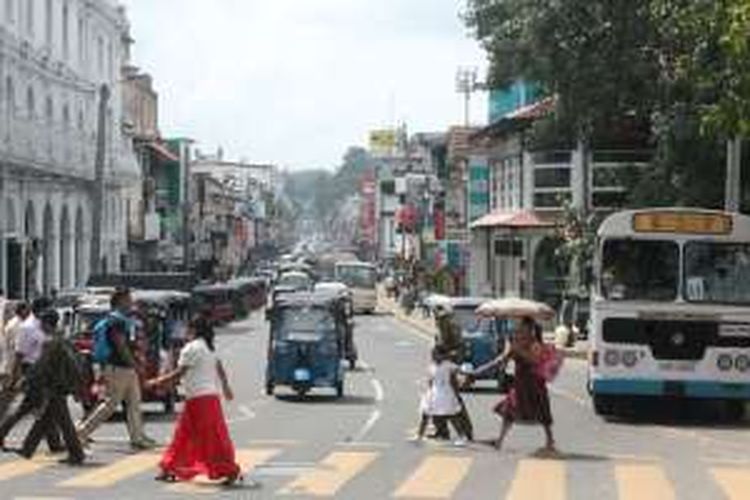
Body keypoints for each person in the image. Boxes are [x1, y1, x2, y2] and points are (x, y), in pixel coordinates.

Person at [147, 316, 242, 485]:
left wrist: (157, 381)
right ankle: (170, 468)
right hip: (210, 398)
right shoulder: (209, 347)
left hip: (198, 400)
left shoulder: (191, 348)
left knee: (188, 436)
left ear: (193, 330)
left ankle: (227, 469)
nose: (185, 332)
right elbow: (219, 367)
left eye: (187, 328)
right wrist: (226, 388)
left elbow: (179, 373)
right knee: (212, 436)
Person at [76, 287, 156, 450]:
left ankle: (137, 437)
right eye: (128, 300)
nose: (131, 303)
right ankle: (82, 432)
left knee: (134, 402)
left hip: (125, 367)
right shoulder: (116, 321)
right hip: (118, 367)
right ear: (120, 301)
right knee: (110, 404)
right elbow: (121, 346)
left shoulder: (121, 319)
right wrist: (134, 364)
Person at [471, 317, 556, 453]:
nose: (520, 331)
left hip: (535, 383)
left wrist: (518, 350)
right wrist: (480, 370)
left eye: (523, 328)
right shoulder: (516, 344)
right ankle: (499, 440)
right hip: (520, 384)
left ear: (530, 330)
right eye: (520, 328)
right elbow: (500, 359)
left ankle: (550, 441)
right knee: (509, 410)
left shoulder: (536, 343)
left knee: (542, 410)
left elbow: (534, 360)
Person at [15, 309, 85, 464]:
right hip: (60, 385)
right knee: (46, 418)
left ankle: (76, 453)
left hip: (54, 386)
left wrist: (25, 379)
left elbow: (41, 365)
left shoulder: (50, 342)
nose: (39, 325)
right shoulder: (63, 339)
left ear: (47, 324)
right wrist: (76, 386)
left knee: (63, 422)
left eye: (41, 322)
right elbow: (74, 365)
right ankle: (27, 448)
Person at [0, 298, 63, 452]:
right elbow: (19, 354)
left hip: (45, 371)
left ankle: (53, 442)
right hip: (32, 371)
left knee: (41, 407)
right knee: (32, 407)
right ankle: (51, 443)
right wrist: (16, 376)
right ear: (39, 310)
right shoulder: (27, 327)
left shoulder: (44, 325)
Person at [412, 346, 470, 446]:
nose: (433, 356)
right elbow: (431, 380)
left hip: (446, 393)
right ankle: (419, 435)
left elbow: (463, 372)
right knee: (425, 414)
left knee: (452, 416)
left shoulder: (449, 366)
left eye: (436, 354)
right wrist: (428, 392)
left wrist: (465, 378)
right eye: (432, 354)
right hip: (433, 393)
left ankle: (462, 437)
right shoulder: (431, 366)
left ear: (443, 355)